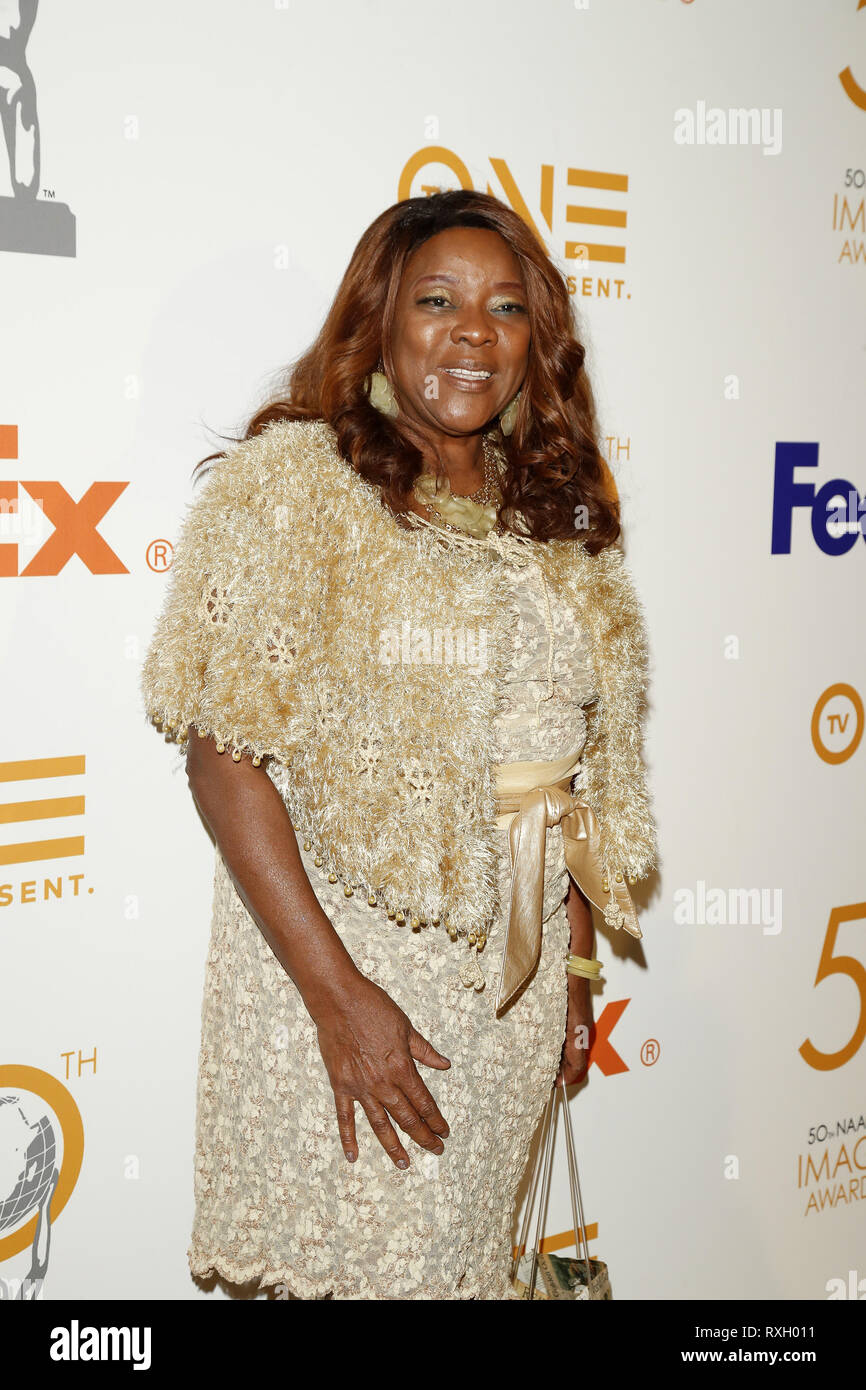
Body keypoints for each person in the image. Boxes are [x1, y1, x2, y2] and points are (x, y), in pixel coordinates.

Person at [140, 189, 657, 1300]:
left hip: (504, 995)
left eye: (506, 308)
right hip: (346, 982)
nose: (473, 331)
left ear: (536, 343)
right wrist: (342, 1002)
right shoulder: (296, 491)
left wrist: (570, 968)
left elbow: (552, 777)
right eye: (438, 300)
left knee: (458, 1273)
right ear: (381, 320)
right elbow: (221, 756)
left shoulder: (552, 514)